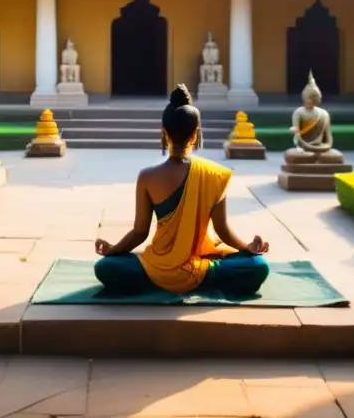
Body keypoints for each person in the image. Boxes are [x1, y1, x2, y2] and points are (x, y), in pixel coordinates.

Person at [94, 84, 270, 297]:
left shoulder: (147, 177)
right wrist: (248, 247)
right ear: (195, 135)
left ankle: (149, 280)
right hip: (202, 268)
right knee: (258, 265)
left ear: (163, 133)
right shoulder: (213, 174)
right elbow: (222, 229)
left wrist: (113, 250)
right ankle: (210, 279)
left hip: (156, 267)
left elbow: (140, 232)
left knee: (107, 267)